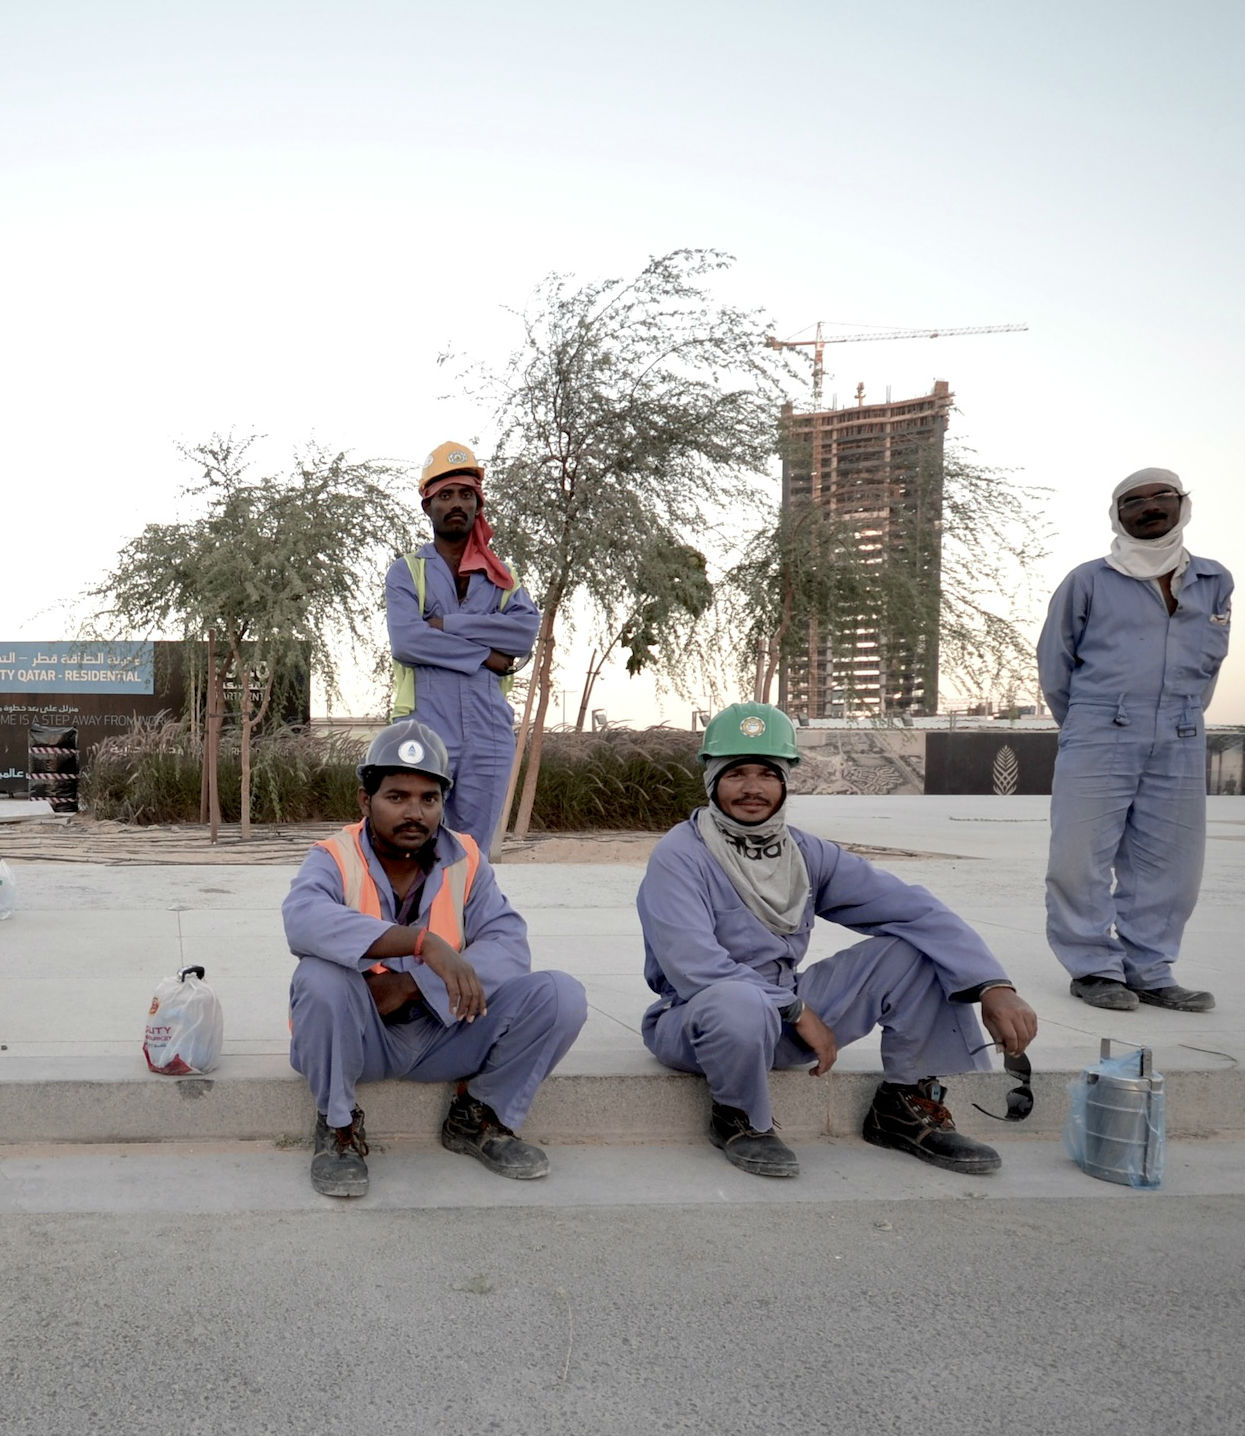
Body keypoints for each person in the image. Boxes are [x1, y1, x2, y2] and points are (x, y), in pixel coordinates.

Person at [637, 703, 1039, 1179]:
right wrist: (797, 1009)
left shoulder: (804, 852)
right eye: (735, 773)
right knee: (736, 999)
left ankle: (902, 1103)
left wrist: (994, 986)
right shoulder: (680, 855)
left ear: (786, 780)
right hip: (700, 1023)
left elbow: (912, 908)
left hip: (785, 1020)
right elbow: (694, 966)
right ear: (711, 780)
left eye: (767, 774)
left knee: (914, 950)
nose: (751, 788)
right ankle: (739, 1117)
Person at [282, 719, 587, 1198]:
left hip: (444, 1030)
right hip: (360, 1037)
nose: (415, 813)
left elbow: (508, 943)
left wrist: (412, 983)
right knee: (319, 979)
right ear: (365, 800)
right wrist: (420, 942)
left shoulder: (465, 858)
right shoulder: (333, 856)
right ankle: (337, 1127)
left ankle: (477, 1118)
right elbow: (303, 921)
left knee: (559, 995)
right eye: (397, 797)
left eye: (429, 799)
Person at [1041, 469, 1232, 1013]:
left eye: (1162, 497)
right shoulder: (1089, 581)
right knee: (1079, 857)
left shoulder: (1215, 580)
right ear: (1117, 514)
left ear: (1182, 505)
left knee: (1172, 861)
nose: (1150, 507)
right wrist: (1086, 723)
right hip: (1101, 727)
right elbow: (1055, 664)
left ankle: (1150, 968)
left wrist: (1183, 714)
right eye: (1135, 501)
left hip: (1180, 730)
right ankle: (1094, 967)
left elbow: (1210, 662)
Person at [386, 441, 540, 850]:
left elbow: (523, 632)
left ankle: (463, 917)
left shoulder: (502, 578)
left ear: (478, 504)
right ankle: (420, 918)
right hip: (425, 726)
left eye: (466, 494)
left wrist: (448, 624)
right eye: (445, 495)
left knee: (474, 855)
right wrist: (484, 655)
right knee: (417, 848)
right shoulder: (407, 573)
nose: (456, 503)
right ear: (428, 506)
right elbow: (407, 641)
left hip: (489, 733)